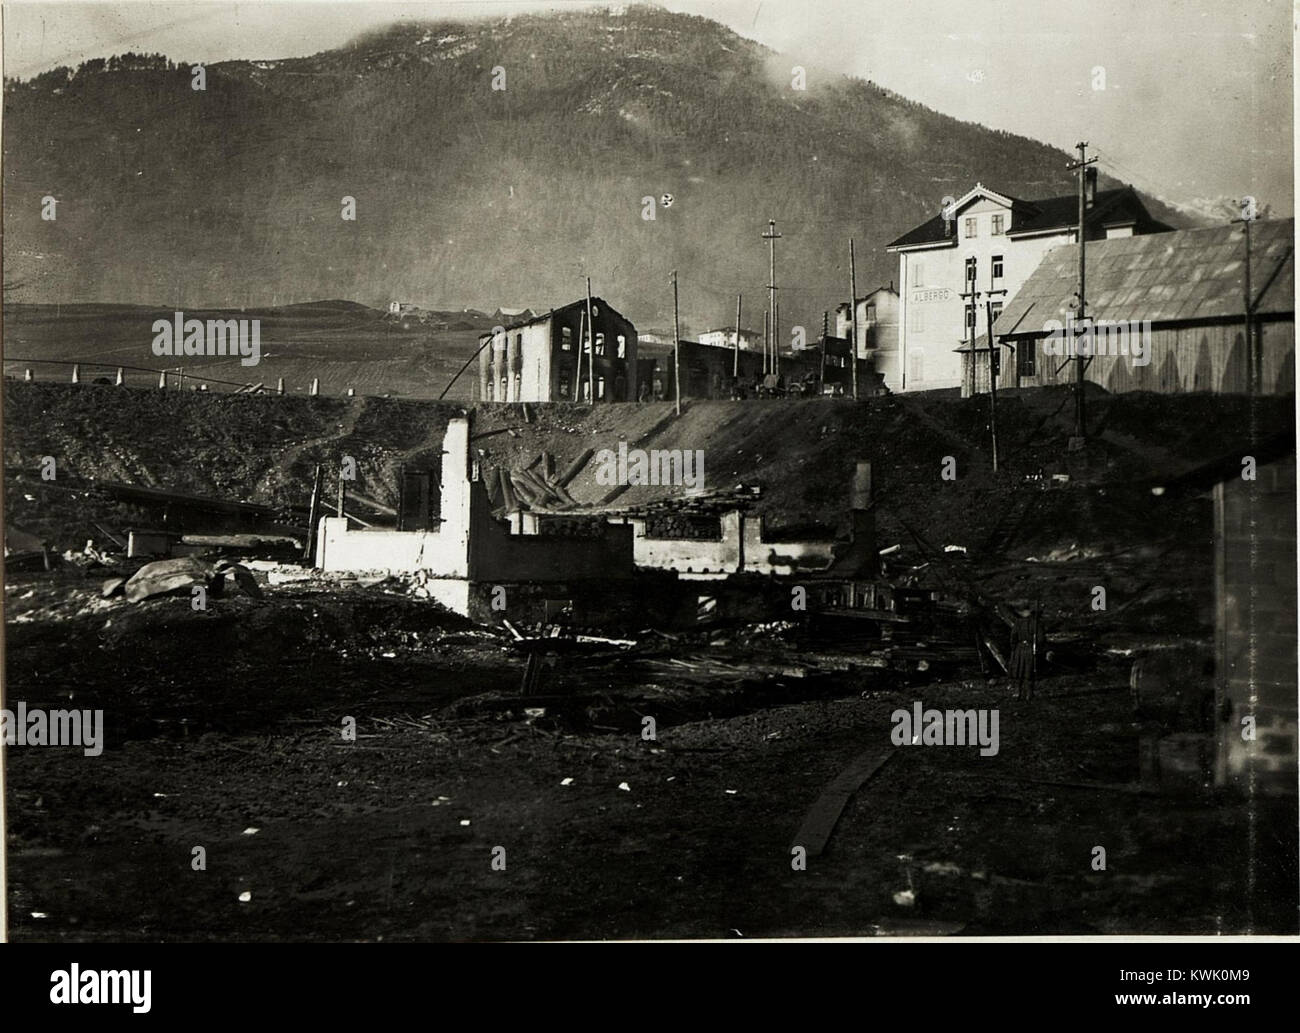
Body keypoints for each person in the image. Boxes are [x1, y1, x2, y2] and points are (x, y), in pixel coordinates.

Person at [1008, 600, 1046, 700]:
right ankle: (1029, 693)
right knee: (1029, 671)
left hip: (1020, 649)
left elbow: (1013, 637)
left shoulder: (1018, 623)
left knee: (1019, 671)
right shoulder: (1036, 623)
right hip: (1030, 649)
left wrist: (1014, 648)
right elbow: (1041, 639)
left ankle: (1019, 692)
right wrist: (1038, 647)